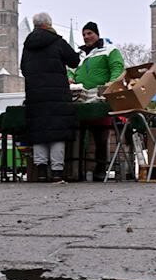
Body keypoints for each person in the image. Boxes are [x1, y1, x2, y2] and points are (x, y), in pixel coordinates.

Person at [20, 12, 80, 183]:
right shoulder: (57, 41)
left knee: (39, 132)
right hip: (57, 94)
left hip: (35, 95)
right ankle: (57, 172)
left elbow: (23, 69)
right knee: (57, 132)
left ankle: (40, 172)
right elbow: (74, 61)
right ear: (47, 25)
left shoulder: (28, 44)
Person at [67, 21, 125, 180]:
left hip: (100, 99)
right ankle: (77, 170)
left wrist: (109, 86)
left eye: (89, 33)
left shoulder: (109, 50)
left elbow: (117, 69)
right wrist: (70, 79)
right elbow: (70, 71)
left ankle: (100, 169)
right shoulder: (78, 55)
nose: (86, 37)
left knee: (101, 136)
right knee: (78, 135)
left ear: (97, 34)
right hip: (79, 98)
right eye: (84, 34)